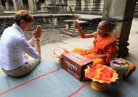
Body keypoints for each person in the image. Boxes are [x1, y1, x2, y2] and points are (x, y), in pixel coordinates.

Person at [0, 10, 42, 77]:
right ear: (22, 22)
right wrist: (37, 39)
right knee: (38, 58)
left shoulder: (7, 30)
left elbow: (21, 45)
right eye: (29, 25)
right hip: (15, 70)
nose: (29, 28)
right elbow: (37, 55)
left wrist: (33, 38)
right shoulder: (18, 37)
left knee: (27, 54)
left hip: (4, 68)